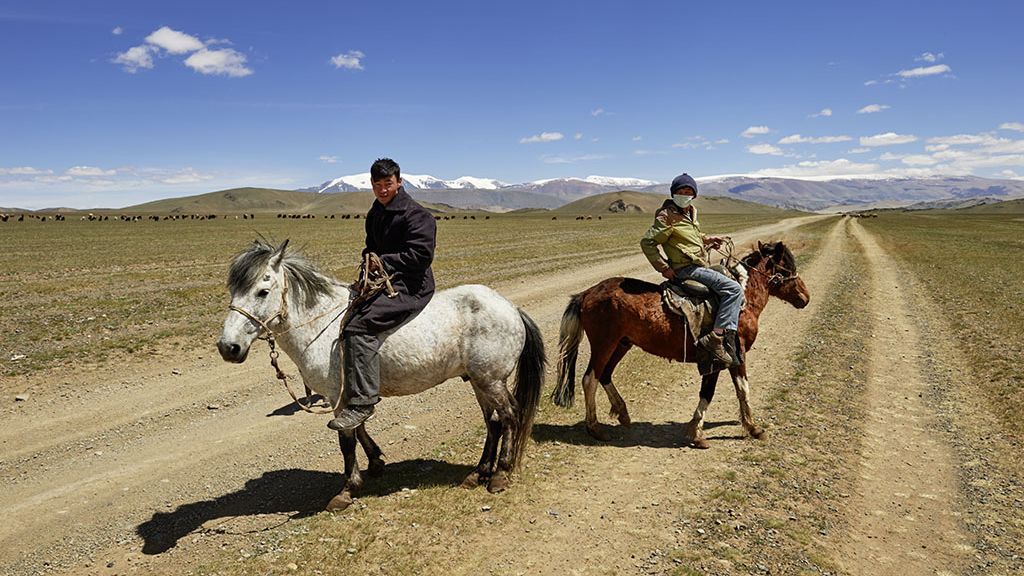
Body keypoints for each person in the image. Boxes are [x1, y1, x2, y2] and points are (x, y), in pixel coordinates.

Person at [327, 158, 437, 431]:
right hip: (382, 281)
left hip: (412, 285)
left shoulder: (417, 215)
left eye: (388, 183)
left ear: (399, 182)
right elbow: (370, 247)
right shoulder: (375, 213)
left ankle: (363, 402)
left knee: (359, 326)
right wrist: (369, 263)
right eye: (377, 185)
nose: (383, 189)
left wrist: (383, 262)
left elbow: (421, 256)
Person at [640, 173, 742, 365]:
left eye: (688, 191)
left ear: (694, 194)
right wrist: (663, 268)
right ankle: (716, 338)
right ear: (673, 194)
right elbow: (647, 242)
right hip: (686, 268)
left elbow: (691, 235)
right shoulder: (667, 216)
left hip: (698, 263)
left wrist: (707, 239)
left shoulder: (690, 212)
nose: (684, 194)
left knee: (727, 275)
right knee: (734, 290)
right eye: (680, 191)